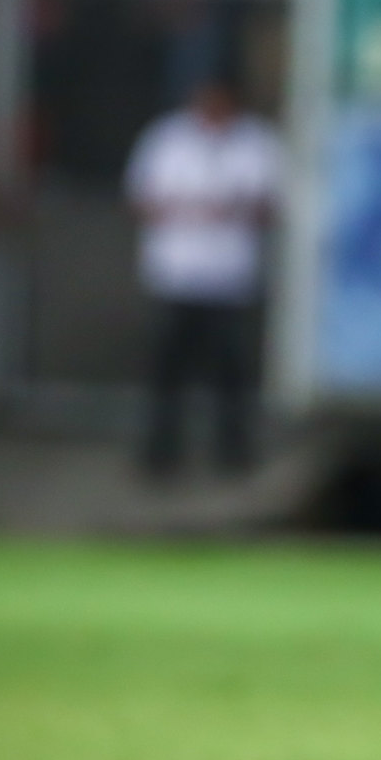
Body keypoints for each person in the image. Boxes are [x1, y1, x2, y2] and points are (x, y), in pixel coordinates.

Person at [123, 76, 283, 477]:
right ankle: (160, 456)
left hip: (229, 281)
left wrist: (231, 210)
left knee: (231, 376)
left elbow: (274, 206)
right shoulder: (166, 138)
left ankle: (233, 456)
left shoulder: (257, 142)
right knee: (167, 374)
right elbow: (141, 199)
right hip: (175, 277)